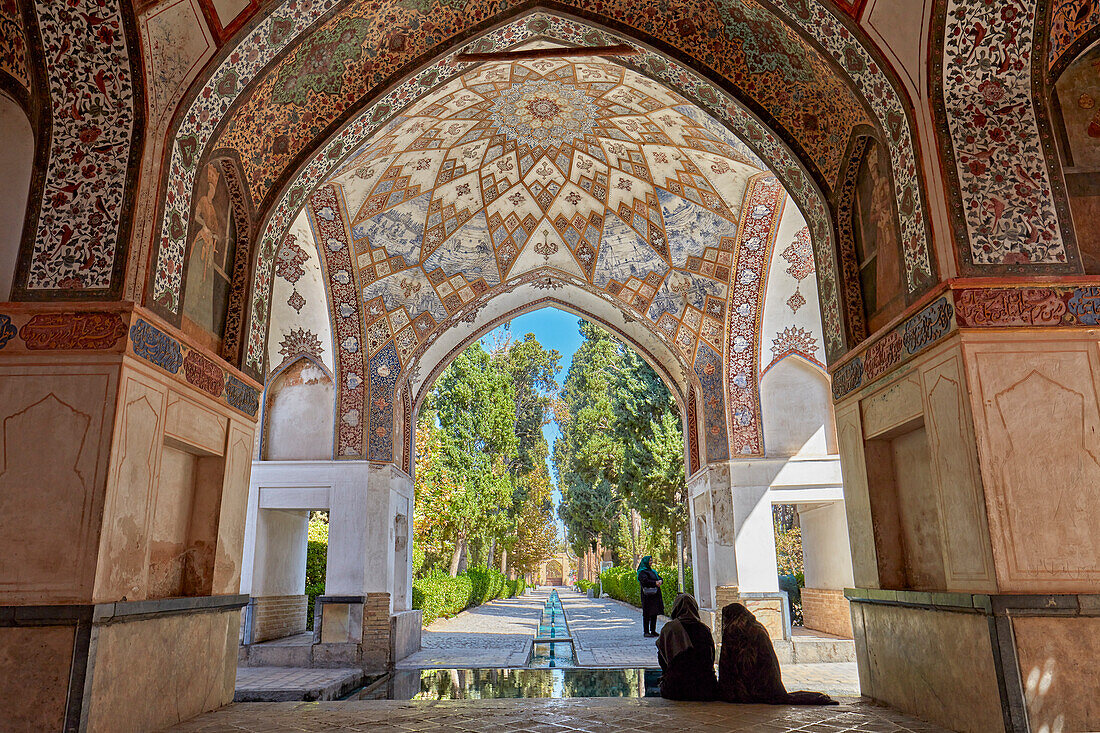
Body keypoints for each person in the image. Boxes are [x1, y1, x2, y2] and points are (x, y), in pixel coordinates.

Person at [717, 602, 836, 705]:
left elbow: (727, 664)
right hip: (767, 681)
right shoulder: (757, 627)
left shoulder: (733, 631)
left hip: (744, 687)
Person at [656, 593, 718, 701]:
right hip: (705, 688)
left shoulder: (670, 629)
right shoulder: (704, 629)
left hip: (677, 688)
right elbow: (711, 658)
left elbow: (663, 657)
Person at [637, 556, 663, 637]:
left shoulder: (653, 571)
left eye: (651, 560)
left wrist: (660, 581)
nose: (651, 562)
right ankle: (646, 631)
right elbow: (644, 581)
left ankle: (653, 630)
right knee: (647, 613)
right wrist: (655, 583)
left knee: (654, 613)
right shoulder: (642, 572)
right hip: (647, 596)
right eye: (649, 561)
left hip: (655, 595)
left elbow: (659, 577)